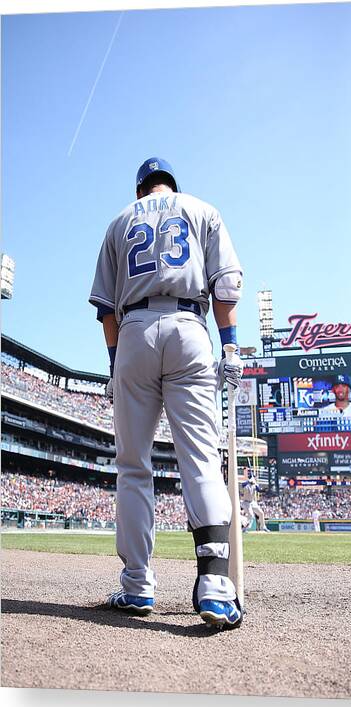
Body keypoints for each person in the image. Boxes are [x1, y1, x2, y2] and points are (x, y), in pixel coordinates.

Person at [89, 157, 244, 630]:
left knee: (133, 466)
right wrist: (231, 347)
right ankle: (216, 585)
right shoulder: (202, 209)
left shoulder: (119, 221)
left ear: (141, 192)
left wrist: (118, 367)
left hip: (134, 329)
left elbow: (105, 312)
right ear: (171, 186)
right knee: (199, 458)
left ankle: (137, 584)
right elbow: (226, 287)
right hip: (190, 327)